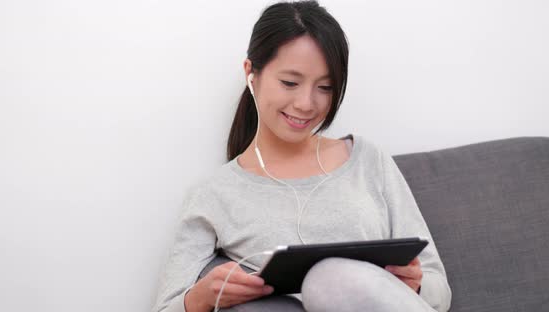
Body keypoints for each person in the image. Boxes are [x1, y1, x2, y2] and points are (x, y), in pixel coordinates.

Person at [152, 1, 452, 311]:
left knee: (331, 278)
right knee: (325, 279)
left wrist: (414, 284)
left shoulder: (368, 161)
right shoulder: (214, 195)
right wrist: (200, 298)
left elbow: (439, 292)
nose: (307, 103)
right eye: (290, 83)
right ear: (251, 74)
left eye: (325, 87)